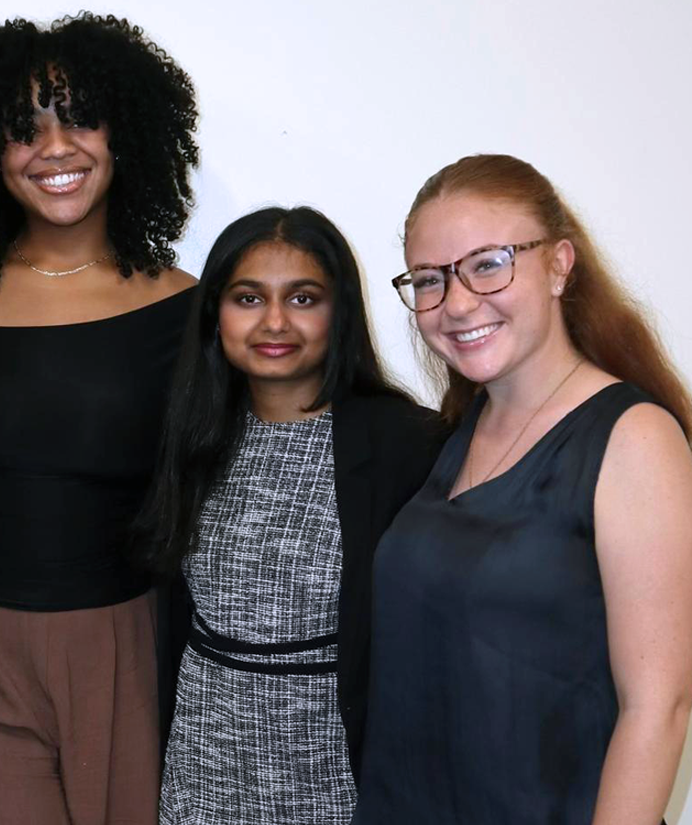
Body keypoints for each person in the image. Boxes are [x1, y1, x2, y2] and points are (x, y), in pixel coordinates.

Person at [0, 12, 199, 824]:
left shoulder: (181, 304)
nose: (55, 148)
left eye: (79, 117)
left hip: (127, 647)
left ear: (124, 129)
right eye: (24, 128)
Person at [354, 153, 692, 824]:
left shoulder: (633, 440)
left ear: (559, 264)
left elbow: (660, 707)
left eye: (488, 263)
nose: (455, 303)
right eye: (429, 280)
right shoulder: (460, 429)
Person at [132, 207, 445, 824]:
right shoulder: (191, 435)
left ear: (340, 311)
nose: (274, 321)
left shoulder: (407, 444)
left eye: (303, 298)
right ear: (216, 313)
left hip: (337, 774)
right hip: (201, 766)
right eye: (249, 298)